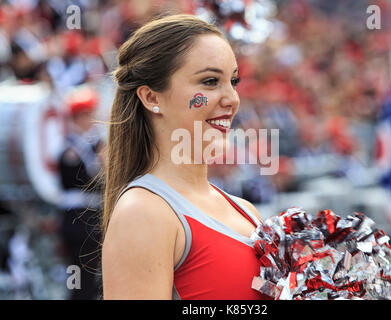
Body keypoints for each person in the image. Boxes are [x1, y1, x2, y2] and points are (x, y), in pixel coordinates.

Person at [101, 14, 270, 300]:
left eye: (233, 80)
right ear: (152, 98)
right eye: (209, 81)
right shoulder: (142, 213)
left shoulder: (246, 211)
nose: (232, 98)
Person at [57, 85, 104, 300]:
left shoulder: (97, 146)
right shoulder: (70, 149)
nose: (91, 121)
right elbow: (85, 181)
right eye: (85, 116)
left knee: (95, 280)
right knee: (78, 279)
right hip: (78, 221)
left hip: (95, 217)